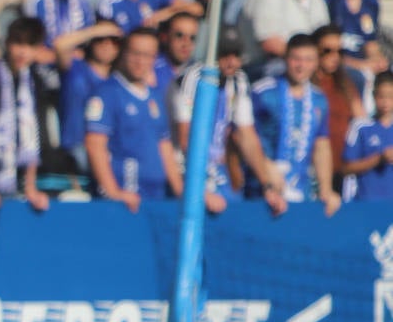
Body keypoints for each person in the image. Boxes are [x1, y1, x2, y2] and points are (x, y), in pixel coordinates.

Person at [173, 29, 287, 214]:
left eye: (236, 55)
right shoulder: (193, 79)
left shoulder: (238, 81)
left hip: (218, 168)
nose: (231, 61)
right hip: (187, 166)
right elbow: (185, 137)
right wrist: (198, 186)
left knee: (233, 204)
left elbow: (247, 135)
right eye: (224, 54)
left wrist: (267, 185)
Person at [84, 27, 183, 210]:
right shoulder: (107, 94)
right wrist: (113, 191)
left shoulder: (155, 97)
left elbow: (165, 147)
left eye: (147, 55)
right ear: (123, 53)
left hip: (155, 196)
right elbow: (95, 145)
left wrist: (180, 191)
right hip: (125, 197)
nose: (140, 61)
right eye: (135, 53)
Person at [249, 33, 341, 215]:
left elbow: (321, 145)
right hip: (261, 192)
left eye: (308, 60)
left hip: (300, 192)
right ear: (286, 59)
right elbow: (246, 137)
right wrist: (266, 168)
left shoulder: (319, 99)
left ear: (316, 63)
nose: (301, 66)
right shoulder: (262, 92)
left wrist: (326, 189)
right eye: (296, 59)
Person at [0, 17, 52, 209]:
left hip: (19, 181)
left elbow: (33, 138)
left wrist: (31, 188)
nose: (23, 51)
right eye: (18, 43)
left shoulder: (35, 81)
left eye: (30, 45)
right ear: (7, 43)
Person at [53, 21, 123, 174]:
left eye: (113, 41)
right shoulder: (75, 68)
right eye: (101, 39)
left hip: (110, 151)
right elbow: (59, 45)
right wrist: (94, 31)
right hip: (75, 147)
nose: (107, 44)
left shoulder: (120, 80)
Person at [245, 0, 328, 74]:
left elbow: (325, 39)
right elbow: (269, 43)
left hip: (305, 65)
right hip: (266, 64)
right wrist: (306, 60)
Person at [313, 23, 367, 179]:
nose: (335, 56)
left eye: (340, 51)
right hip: (313, 168)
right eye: (327, 51)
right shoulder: (305, 86)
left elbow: (361, 121)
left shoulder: (346, 84)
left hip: (341, 167)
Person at [321, 0, 386, 79]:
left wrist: (377, 59)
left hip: (362, 65)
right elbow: (323, 46)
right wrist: (358, 65)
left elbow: (370, 42)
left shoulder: (371, 3)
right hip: (338, 64)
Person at [342, 71, 393, 200]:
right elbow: (346, 168)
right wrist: (378, 159)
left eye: (390, 96)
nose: (386, 102)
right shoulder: (361, 127)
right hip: (365, 203)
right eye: (382, 96)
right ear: (374, 96)